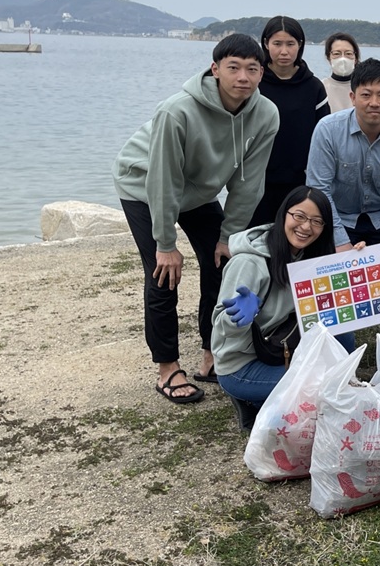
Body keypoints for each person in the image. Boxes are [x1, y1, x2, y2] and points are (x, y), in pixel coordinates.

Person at [113, 33, 279, 405]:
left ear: (261, 73)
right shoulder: (177, 111)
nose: (243, 77)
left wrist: (229, 236)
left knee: (222, 262)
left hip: (198, 193)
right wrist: (165, 243)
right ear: (215, 69)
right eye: (233, 68)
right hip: (143, 183)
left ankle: (212, 353)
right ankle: (167, 368)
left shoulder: (266, 114)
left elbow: (249, 182)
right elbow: (163, 180)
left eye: (252, 69)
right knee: (163, 272)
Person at [211, 187, 340, 426]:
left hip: (280, 345)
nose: (306, 227)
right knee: (325, 390)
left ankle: (270, 398)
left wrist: (357, 263)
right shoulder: (249, 262)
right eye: (299, 216)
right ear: (284, 214)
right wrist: (238, 317)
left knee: (343, 341)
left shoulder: (307, 255)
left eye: (316, 221)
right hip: (242, 364)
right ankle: (250, 399)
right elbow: (221, 328)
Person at [306, 58, 380, 250]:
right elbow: (318, 188)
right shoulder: (328, 130)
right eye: (366, 95)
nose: (374, 103)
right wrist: (340, 240)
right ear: (353, 97)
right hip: (338, 217)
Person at [250, 16, 331, 226]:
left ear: (300, 45)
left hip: (300, 183)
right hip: (257, 181)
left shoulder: (314, 87)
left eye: (290, 44)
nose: (284, 51)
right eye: (277, 44)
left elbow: (324, 137)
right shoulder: (254, 84)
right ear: (266, 43)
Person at [321, 32, 360, 113]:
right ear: (329, 58)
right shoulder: (320, 87)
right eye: (336, 54)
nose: (343, 58)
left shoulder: (364, 87)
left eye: (348, 53)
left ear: (355, 58)